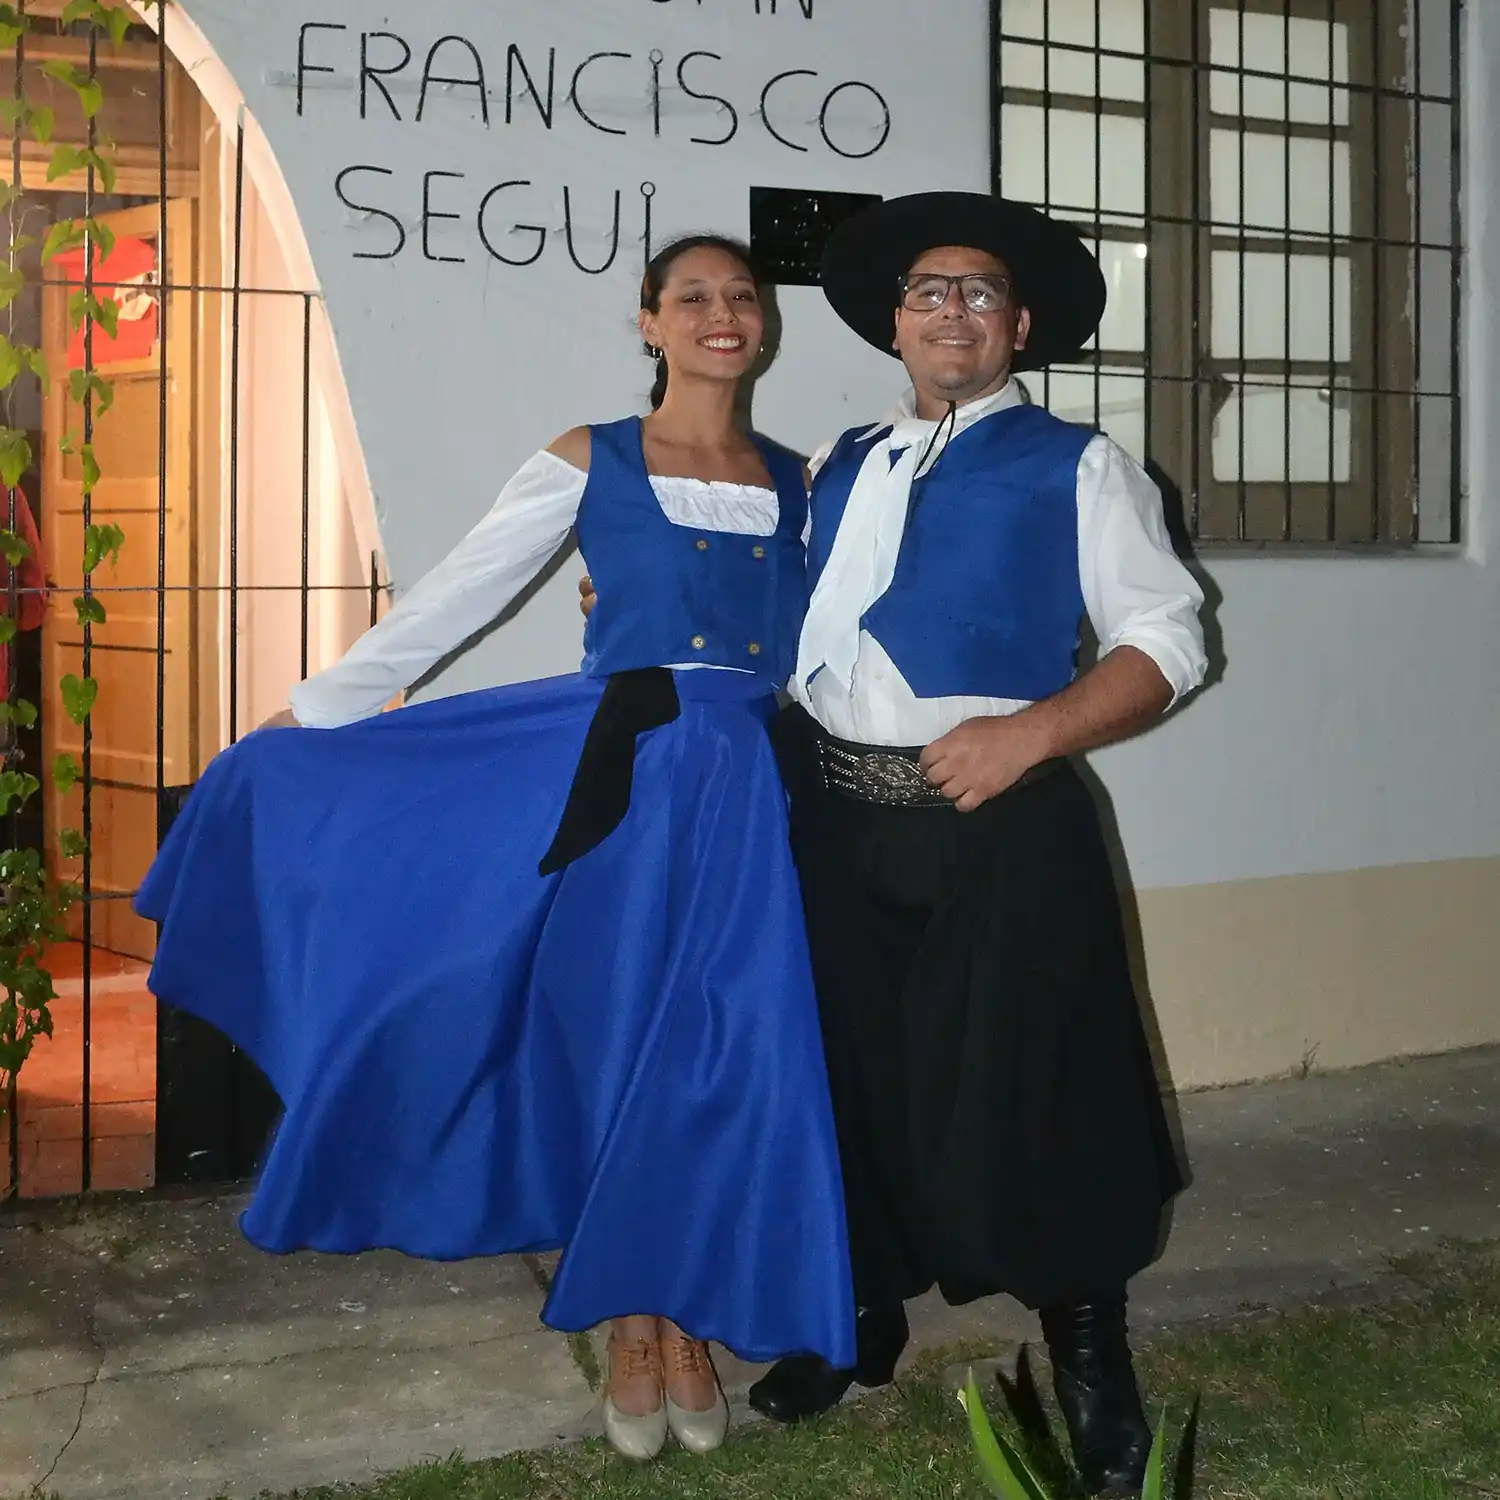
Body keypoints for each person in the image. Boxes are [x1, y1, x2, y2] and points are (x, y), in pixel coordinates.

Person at [133, 234, 856, 1463]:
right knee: (624, 1045)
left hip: (750, 799)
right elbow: (457, 595)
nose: (721, 316)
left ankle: (684, 1316)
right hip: (622, 787)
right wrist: (315, 711)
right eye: (692, 298)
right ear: (648, 323)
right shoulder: (593, 459)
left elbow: (832, 643)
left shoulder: (804, 481)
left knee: (722, 1057)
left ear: (765, 325)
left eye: (741, 297)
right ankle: (635, 1326)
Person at [583, 192, 1207, 1497]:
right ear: (896, 324)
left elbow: (1169, 644)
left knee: (1041, 1092)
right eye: (931, 291)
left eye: (980, 292)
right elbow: (739, 586)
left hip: (1000, 822)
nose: (953, 311)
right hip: (829, 818)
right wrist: (621, 578)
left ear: (1020, 325)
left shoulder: (1081, 467)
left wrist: (1030, 735)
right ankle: (854, 1317)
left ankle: (1089, 1356)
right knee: (845, 1083)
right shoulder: (835, 463)